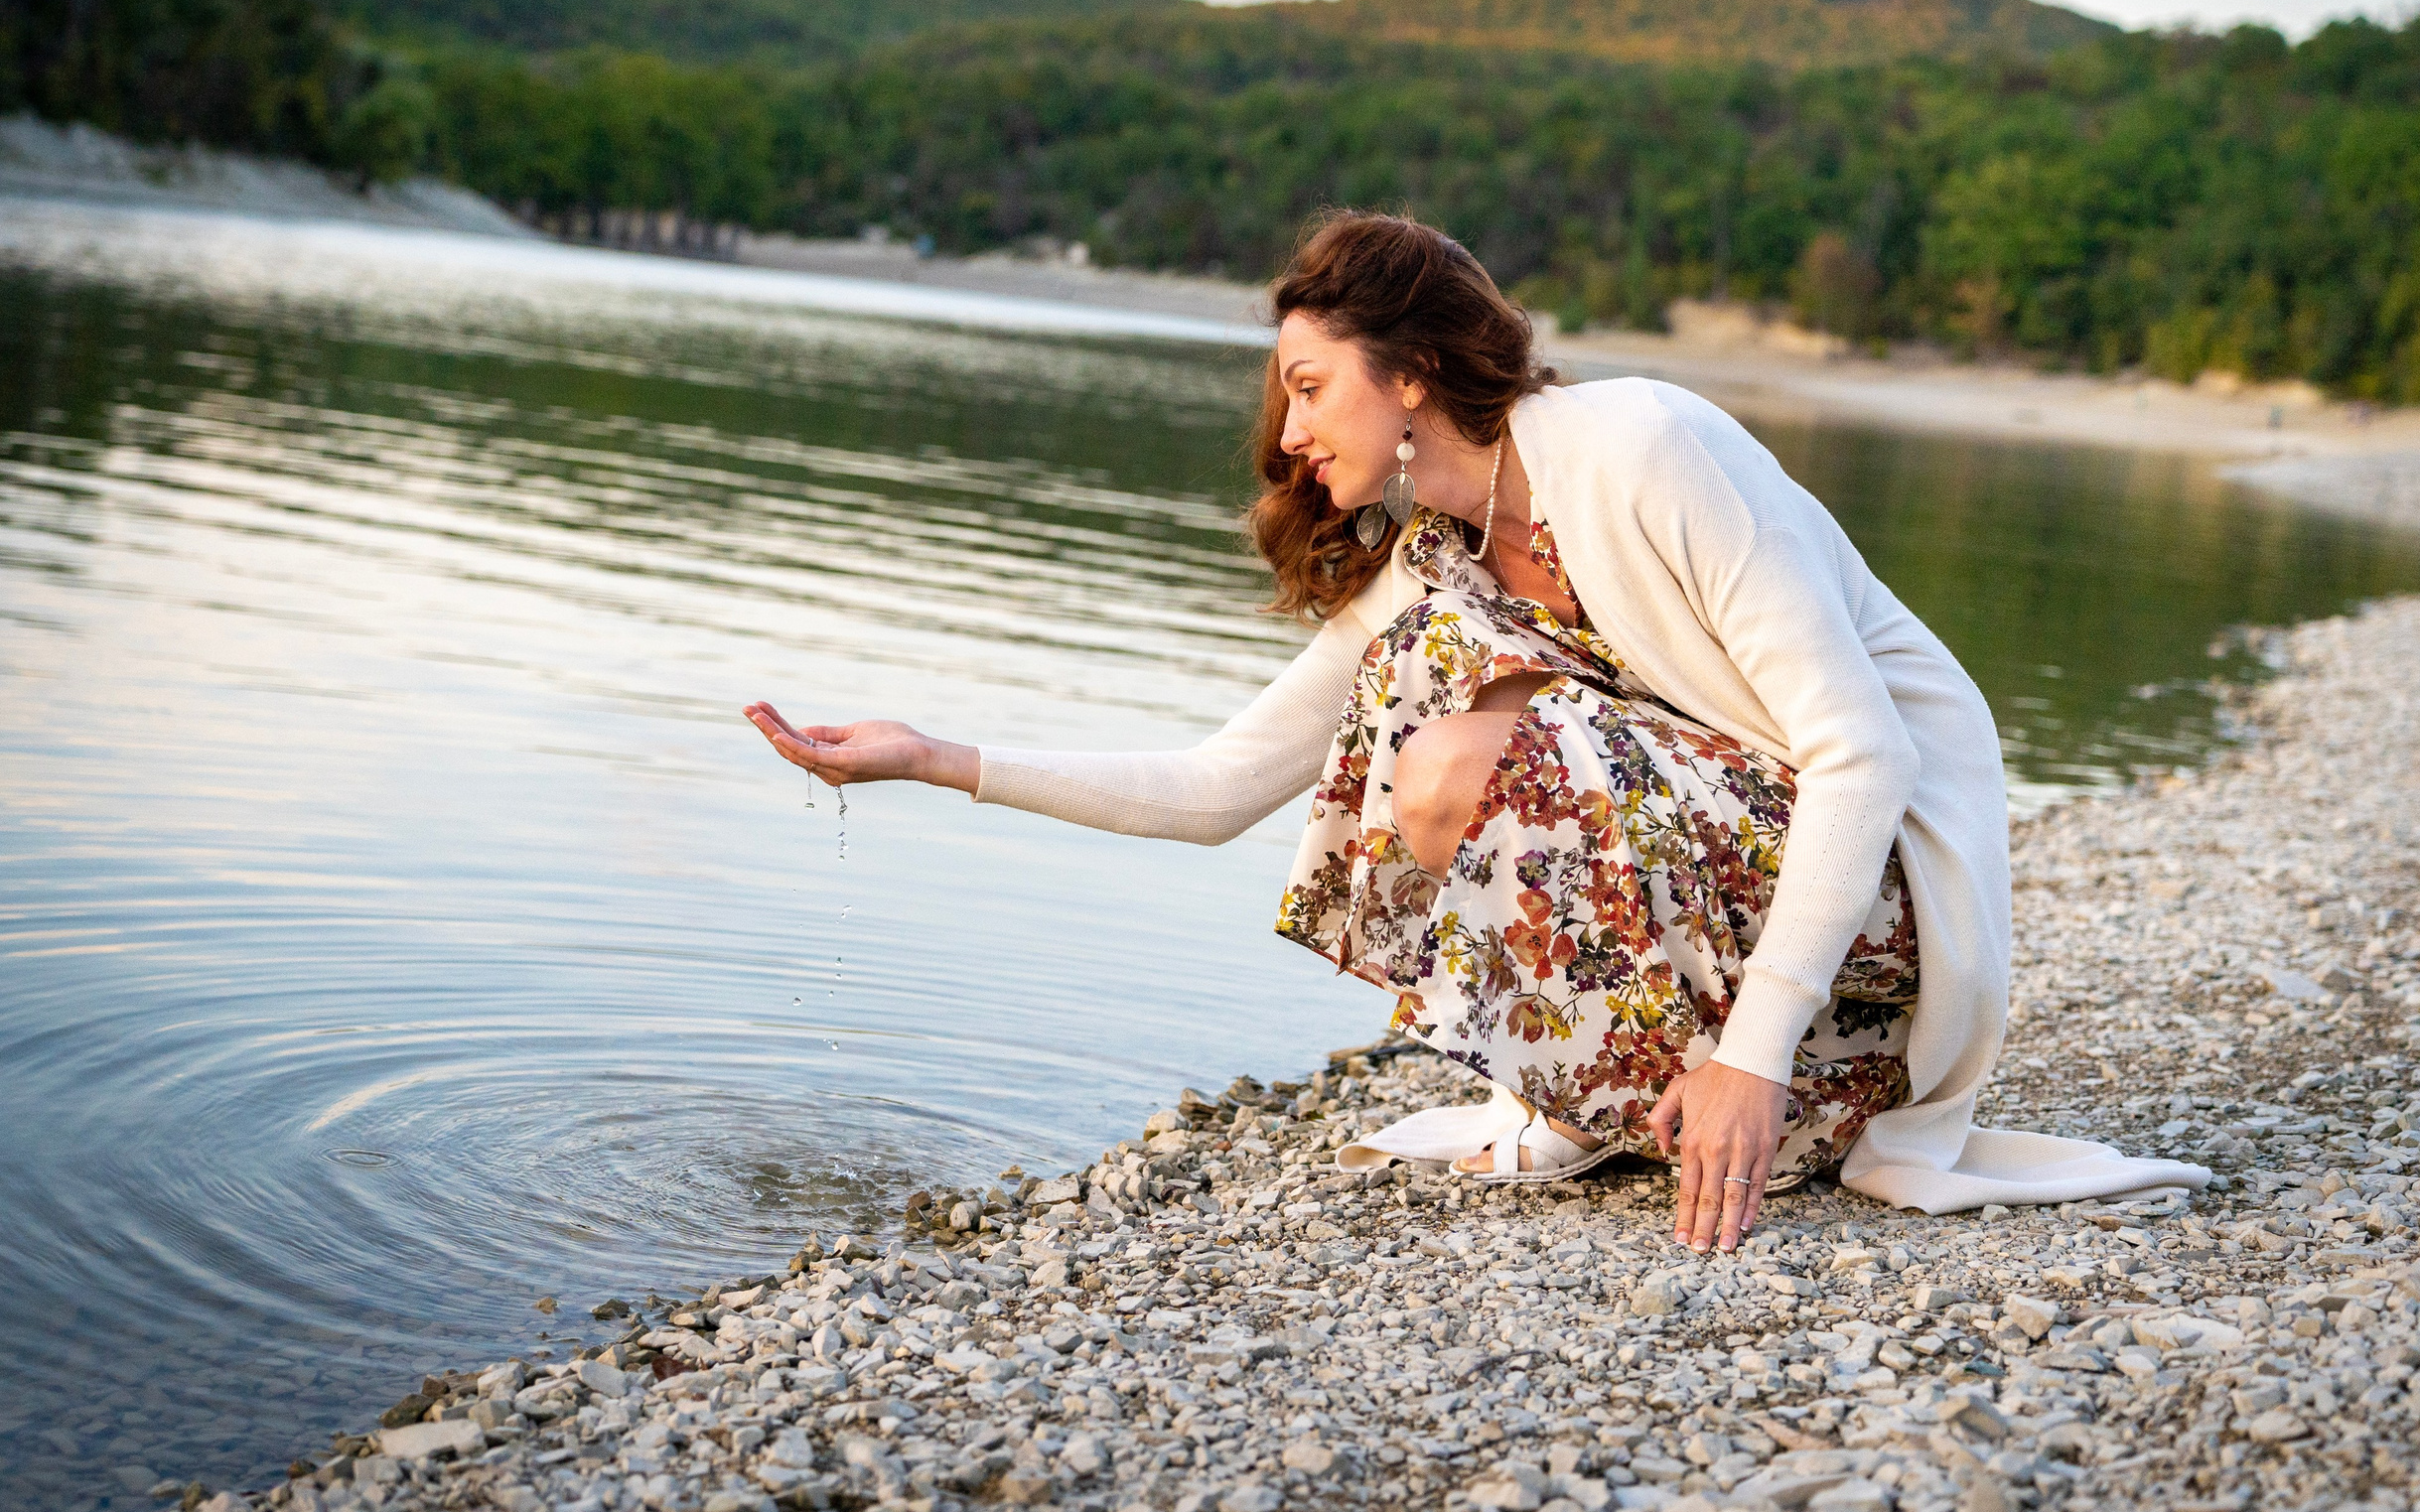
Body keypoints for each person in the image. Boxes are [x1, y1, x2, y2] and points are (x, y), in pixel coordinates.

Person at [745, 211, 2207, 1253]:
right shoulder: (1434, 563)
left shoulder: (1643, 445)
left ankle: (1726, 1079)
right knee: (1422, 691)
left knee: (1456, 738)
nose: (1294, 432)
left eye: (1312, 388)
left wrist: (1755, 1054)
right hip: (1741, 886)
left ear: (1416, 373)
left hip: (1884, 899)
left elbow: (1862, 756)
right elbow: (1218, 788)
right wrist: (936, 759)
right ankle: (1630, 1092)